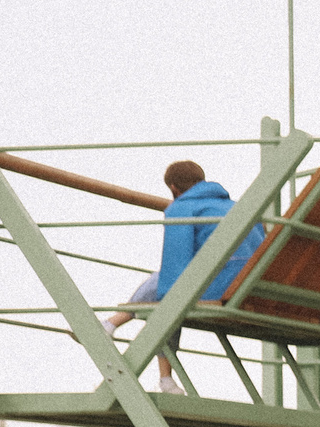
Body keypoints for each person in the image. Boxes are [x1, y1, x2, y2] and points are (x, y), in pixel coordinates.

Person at [104, 162, 268, 389]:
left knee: (168, 292)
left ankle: (114, 323)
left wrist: (162, 297)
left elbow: (175, 264)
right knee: (171, 293)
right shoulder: (241, 208)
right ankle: (164, 378)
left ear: (173, 188)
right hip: (253, 289)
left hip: (221, 289)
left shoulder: (183, 208)